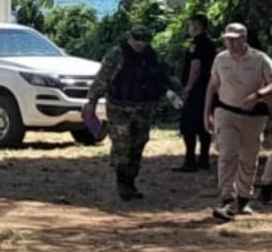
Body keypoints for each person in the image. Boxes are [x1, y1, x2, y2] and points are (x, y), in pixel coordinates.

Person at [83, 25, 186, 201]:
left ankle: (130, 182)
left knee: (138, 145)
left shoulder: (151, 56)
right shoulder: (117, 54)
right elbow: (102, 79)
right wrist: (91, 102)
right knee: (122, 145)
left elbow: (164, 76)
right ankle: (122, 182)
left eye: (143, 41)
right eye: (136, 40)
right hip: (119, 108)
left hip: (143, 108)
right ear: (129, 38)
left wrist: (180, 93)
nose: (139, 45)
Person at [207, 23, 272, 221]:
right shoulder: (220, 59)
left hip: (254, 116)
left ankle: (244, 197)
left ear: (244, 38)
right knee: (227, 153)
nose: (232, 43)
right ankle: (228, 198)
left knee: (248, 158)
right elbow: (212, 86)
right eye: (228, 39)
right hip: (225, 112)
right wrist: (206, 113)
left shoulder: (260, 59)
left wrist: (258, 95)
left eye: (236, 39)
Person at [173, 14, 217, 172]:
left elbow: (196, 66)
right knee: (204, 122)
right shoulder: (210, 44)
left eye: (191, 25)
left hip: (197, 90)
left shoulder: (197, 44)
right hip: (209, 89)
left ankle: (190, 159)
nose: (189, 29)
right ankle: (204, 158)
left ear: (196, 26)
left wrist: (189, 87)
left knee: (188, 125)